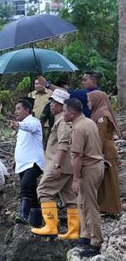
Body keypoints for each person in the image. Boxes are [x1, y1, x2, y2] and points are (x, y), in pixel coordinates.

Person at [32, 89, 79, 239]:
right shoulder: (62, 120)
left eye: (55, 102)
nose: (51, 105)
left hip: (59, 164)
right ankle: (73, 231)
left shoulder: (62, 122)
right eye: (51, 101)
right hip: (68, 166)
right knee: (70, 197)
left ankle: (51, 226)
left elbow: (63, 144)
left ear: (62, 105)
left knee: (44, 191)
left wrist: (57, 165)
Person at [63, 98, 104, 257]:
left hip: (89, 168)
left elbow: (78, 156)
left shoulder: (79, 128)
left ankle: (96, 242)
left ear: (72, 113)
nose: (63, 113)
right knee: (82, 202)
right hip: (96, 165)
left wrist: (76, 179)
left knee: (89, 205)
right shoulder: (89, 122)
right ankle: (86, 235)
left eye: (65, 111)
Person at [9, 99, 44, 227]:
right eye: (16, 109)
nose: (16, 111)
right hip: (22, 163)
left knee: (24, 186)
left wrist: (18, 125)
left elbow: (30, 128)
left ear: (27, 110)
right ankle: (36, 223)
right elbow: (21, 145)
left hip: (34, 163)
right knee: (32, 192)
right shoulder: (22, 125)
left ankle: (23, 215)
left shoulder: (34, 122)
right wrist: (15, 159)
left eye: (18, 108)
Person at [87, 90, 122, 216]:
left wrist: (93, 153)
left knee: (110, 181)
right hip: (103, 150)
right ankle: (104, 207)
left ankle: (113, 208)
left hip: (106, 151)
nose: (88, 103)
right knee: (104, 181)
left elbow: (100, 136)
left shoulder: (102, 115)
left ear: (97, 100)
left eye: (89, 100)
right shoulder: (98, 113)